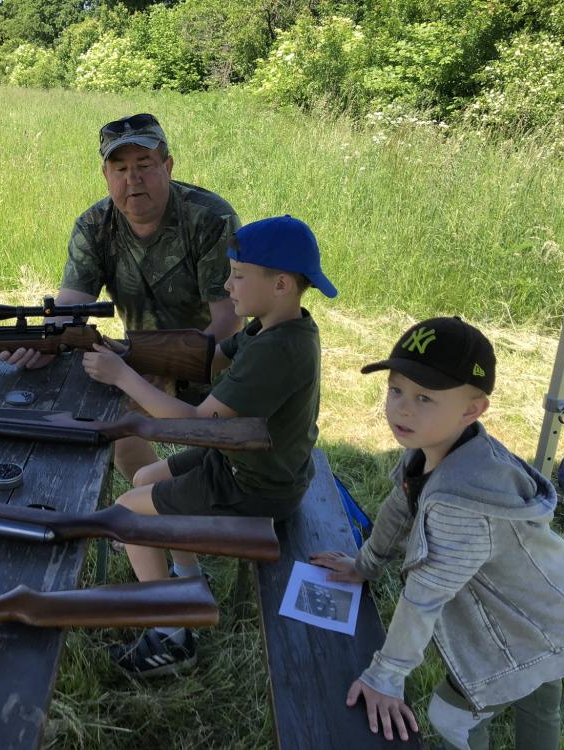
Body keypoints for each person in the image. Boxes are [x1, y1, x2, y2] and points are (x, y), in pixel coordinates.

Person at [311, 317, 564, 748]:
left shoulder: (460, 504)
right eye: (396, 390)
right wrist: (364, 565)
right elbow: (401, 505)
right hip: (558, 609)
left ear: (472, 410)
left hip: (540, 626)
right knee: (541, 693)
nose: (402, 408)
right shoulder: (433, 450)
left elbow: (424, 597)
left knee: (451, 716)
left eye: (424, 397)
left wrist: (386, 675)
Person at [83, 215, 337, 676]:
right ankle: (188, 584)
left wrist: (124, 378)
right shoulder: (274, 327)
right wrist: (130, 353)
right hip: (249, 460)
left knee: (124, 515)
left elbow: (197, 424)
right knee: (144, 478)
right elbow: (210, 357)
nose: (227, 285)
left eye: (238, 275)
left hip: (257, 485)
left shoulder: (277, 351)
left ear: (281, 284)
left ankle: (171, 636)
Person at [0, 113, 242, 482]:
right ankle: (160, 499)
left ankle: (182, 499)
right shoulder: (94, 225)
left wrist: (165, 366)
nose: (133, 179)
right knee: (114, 431)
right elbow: (70, 305)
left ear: (168, 167)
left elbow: (229, 321)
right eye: (120, 168)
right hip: (138, 361)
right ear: (106, 175)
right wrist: (45, 341)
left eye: (144, 165)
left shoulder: (210, 219)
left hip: (216, 365)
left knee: (234, 475)